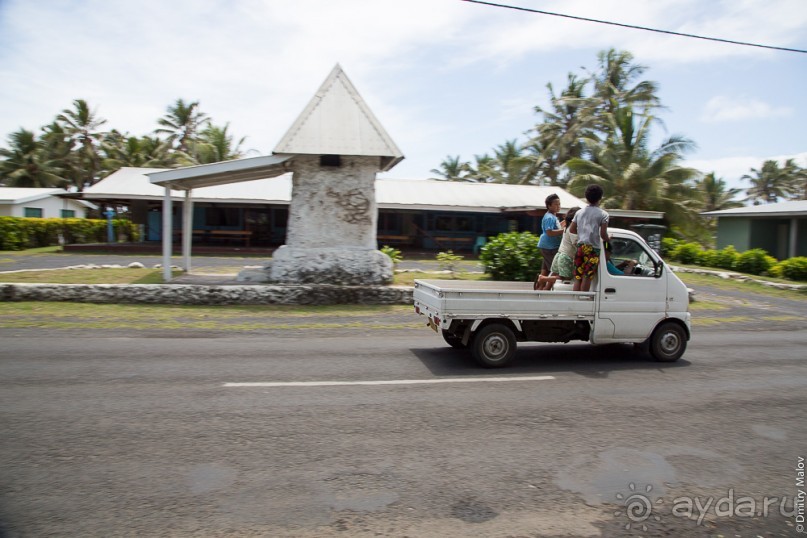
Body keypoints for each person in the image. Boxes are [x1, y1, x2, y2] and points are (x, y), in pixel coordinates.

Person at [569, 185, 609, 292]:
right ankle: (583, 299)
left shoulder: (579, 212)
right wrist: (609, 240)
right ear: (600, 198)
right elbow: (603, 234)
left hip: (580, 247)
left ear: (586, 197)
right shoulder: (604, 214)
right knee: (587, 276)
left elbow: (571, 230)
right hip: (593, 249)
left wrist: (582, 234)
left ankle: (576, 300)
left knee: (578, 276)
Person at [535, 206, 580, 290]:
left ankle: (543, 291)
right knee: (564, 278)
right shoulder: (573, 229)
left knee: (551, 280)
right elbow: (576, 243)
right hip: (567, 257)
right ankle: (543, 278)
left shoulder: (567, 227)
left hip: (559, 255)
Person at [536, 194, 565, 277]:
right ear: (549, 206)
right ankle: (546, 284)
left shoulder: (552, 216)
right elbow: (550, 232)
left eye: (559, 204)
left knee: (545, 271)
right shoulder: (549, 217)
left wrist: (566, 221)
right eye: (556, 204)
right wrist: (564, 231)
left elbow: (557, 227)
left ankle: (541, 287)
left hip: (548, 247)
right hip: (550, 248)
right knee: (555, 270)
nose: (558, 206)